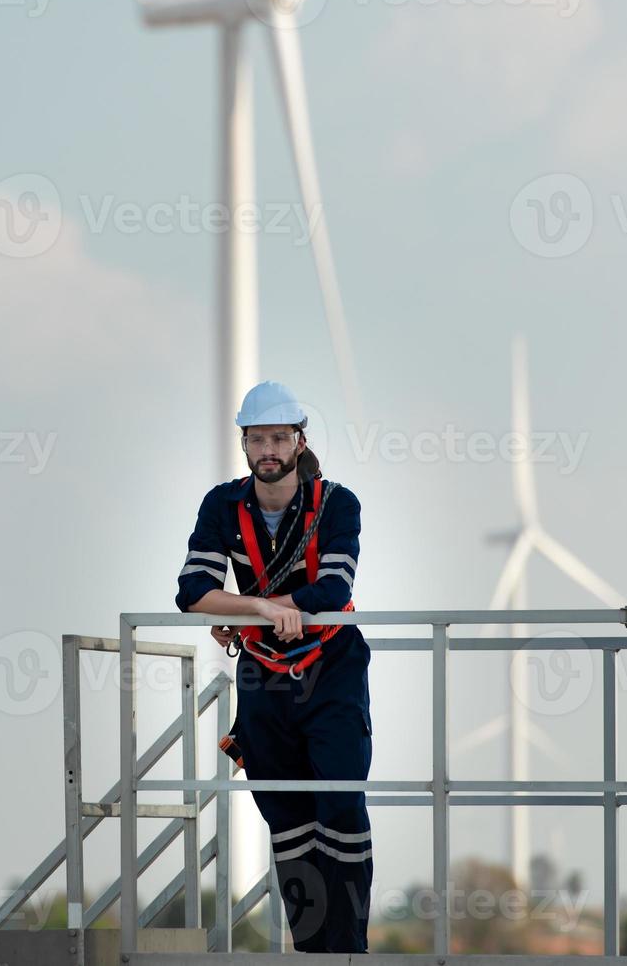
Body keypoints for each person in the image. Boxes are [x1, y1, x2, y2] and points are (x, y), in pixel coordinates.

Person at [173, 380, 373, 954]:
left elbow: (334, 588)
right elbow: (192, 591)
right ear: (243, 444)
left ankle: (348, 950)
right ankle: (313, 951)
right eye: (257, 438)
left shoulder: (338, 502)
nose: (268, 449)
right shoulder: (222, 504)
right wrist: (258, 609)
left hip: (331, 666)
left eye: (278, 438)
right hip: (261, 674)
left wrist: (243, 610)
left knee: (340, 805)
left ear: (299, 441)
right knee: (284, 816)